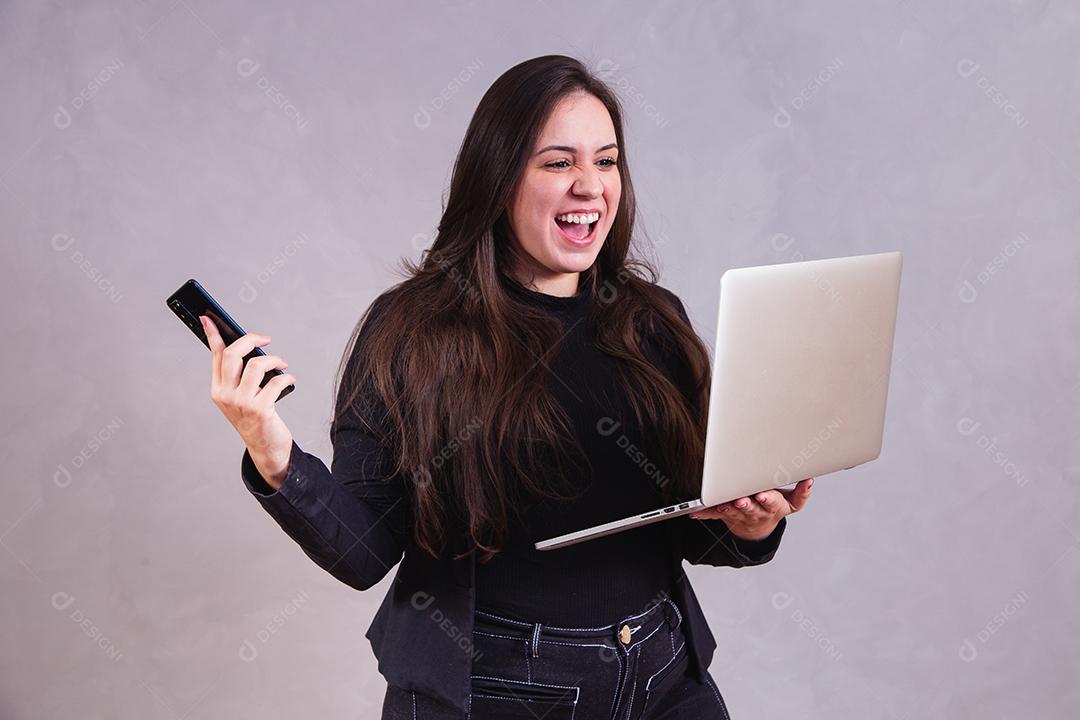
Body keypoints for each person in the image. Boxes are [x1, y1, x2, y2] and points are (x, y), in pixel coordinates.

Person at [202, 54, 813, 719]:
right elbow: (363, 552)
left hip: (662, 673)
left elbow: (697, 535)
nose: (589, 186)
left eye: (606, 162)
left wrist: (751, 525)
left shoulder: (652, 322)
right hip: (495, 688)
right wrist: (272, 452)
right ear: (498, 179)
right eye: (558, 163)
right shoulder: (413, 331)